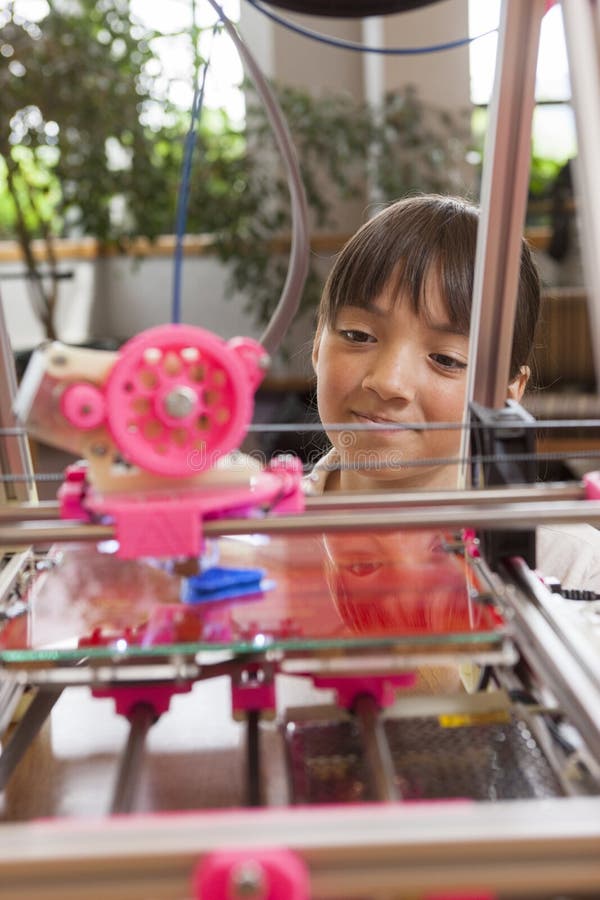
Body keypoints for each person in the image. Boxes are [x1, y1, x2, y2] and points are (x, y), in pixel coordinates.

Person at [304, 194, 600, 593]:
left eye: (446, 358)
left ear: (506, 397)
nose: (389, 382)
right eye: (359, 335)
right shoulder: (250, 538)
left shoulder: (576, 565)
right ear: (318, 346)